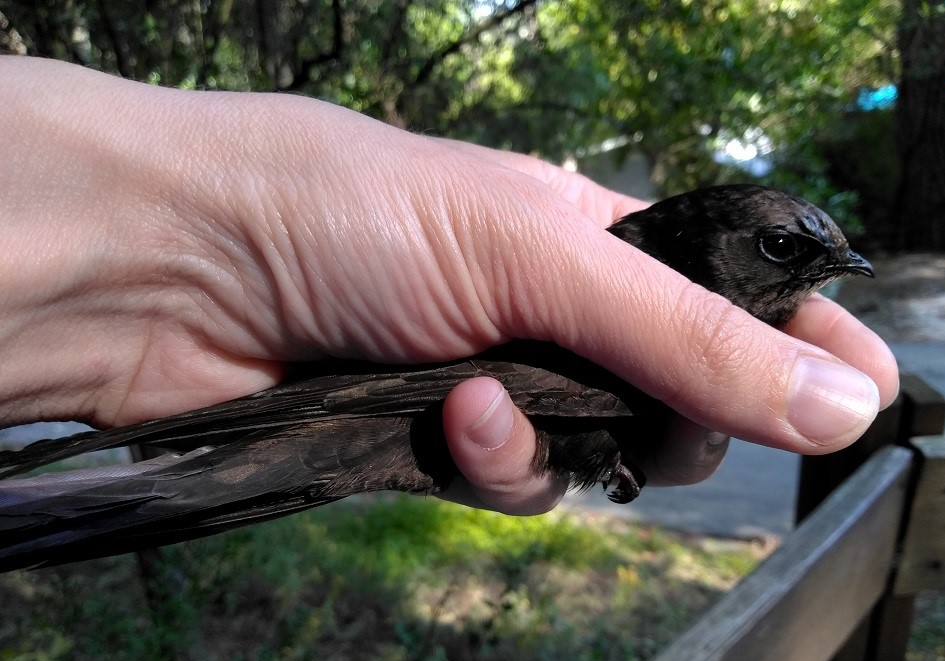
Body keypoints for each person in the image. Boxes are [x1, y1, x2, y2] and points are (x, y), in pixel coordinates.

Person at [0, 56, 898, 515]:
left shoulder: (629, 262)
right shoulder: (631, 280)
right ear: (715, 242)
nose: (814, 275)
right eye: (782, 251)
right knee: (107, 507)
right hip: (379, 407)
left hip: (367, 410)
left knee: (105, 507)